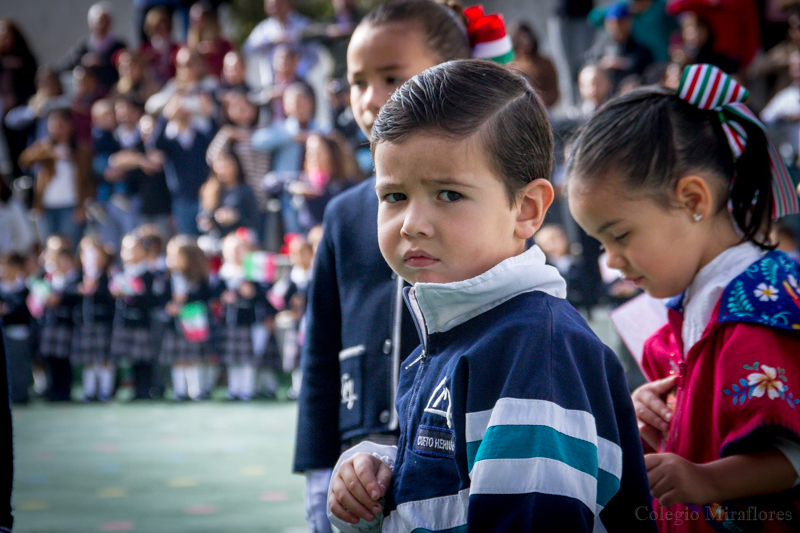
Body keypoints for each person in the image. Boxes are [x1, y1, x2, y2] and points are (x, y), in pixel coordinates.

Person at [327, 59, 654, 532]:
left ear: (526, 209)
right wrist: (378, 478)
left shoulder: (536, 349)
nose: (411, 223)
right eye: (394, 196)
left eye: (448, 195)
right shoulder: (457, 331)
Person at [566, 64, 800, 532]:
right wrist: (654, 411)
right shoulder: (700, 299)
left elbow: (791, 452)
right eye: (601, 244)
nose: (612, 260)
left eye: (621, 235)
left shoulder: (763, 309)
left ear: (693, 200)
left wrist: (705, 481)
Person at [293, 1, 471, 531]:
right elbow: (320, 348)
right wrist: (319, 467)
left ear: (456, 80)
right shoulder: (344, 214)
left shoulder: (482, 207)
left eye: (391, 76)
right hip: (353, 469)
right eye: (357, 82)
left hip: (452, 456)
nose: (370, 99)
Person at [19, 107, 93, 250]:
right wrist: (51, 154)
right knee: (50, 249)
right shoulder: (43, 147)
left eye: (61, 123)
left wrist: (83, 206)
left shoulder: (81, 150)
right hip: (46, 207)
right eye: (53, 123)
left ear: (70, 125)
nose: (57, 127)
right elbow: (24, 160)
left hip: (71, 207)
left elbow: (89, 181)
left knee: (69, 249)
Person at [159, 235, 213, 401]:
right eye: (170, 255)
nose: (172, 260)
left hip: (193, 325)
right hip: (174, 327)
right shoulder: (167, 278)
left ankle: (195, 390)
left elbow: (205, 297)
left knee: (193, 359)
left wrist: (186, 300)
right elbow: (160, 298)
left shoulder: (199, 279)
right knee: (178, 360)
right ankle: (180, 391)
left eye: (177, 256)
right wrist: (169, 306)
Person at [110, 232, 159, 400]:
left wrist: (133, 293)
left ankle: (144, 390)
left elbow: (152, 299)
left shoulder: (149, 275)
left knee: (143, 360)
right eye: (125, 249)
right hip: (124, 323)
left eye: (133, 249)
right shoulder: (120, 274)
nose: (129, 253)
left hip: (141, 324)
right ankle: (112, 390)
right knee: (122, 359)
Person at [71, 235, 116, 402]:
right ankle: (90, 391)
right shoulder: (78, 276)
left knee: (105, 358)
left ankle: (106, 390)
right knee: (89, 360)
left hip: (104, 324)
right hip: (85, 325)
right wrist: (79, 289)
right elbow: (67, 294)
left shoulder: (107, 276)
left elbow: (111, 298)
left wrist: (97, 288)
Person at [55, 2, 127, 94]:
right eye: (98, 21)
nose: (101, 25)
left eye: (105, 20)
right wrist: (83, 61)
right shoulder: (83, 46)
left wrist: (104, 62)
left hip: (112, 91)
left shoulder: (120, 46)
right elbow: (65, 66)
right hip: (87, 95)